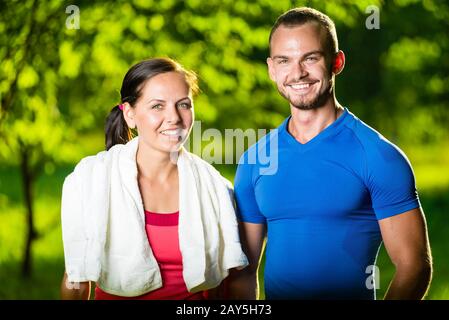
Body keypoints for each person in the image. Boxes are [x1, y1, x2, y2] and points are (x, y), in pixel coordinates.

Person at [232, 7, 432, 300]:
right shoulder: (254, 160)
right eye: (284, 60)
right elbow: (244, 272)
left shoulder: (377, 156)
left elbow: (414, 266)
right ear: (271, 69)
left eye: (311, 58)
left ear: (336, 62)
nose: (297, 72)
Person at [60, 57, 248, 300]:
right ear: (129, 114)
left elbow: (227, 286)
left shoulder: (215, 187)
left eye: (183, 104)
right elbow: (76, 279)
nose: (174, 118)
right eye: (157, 106)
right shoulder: (90, 180)